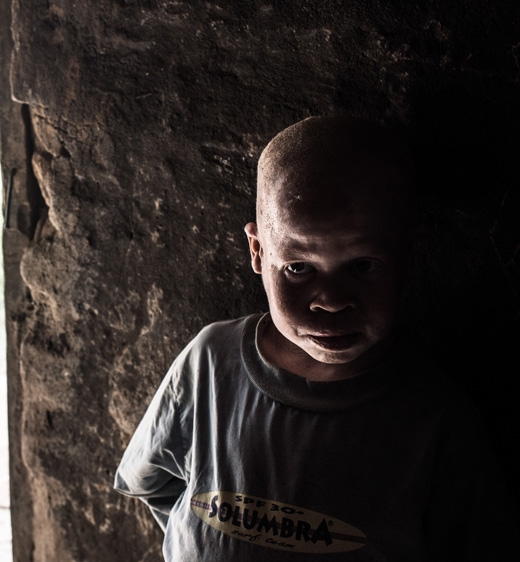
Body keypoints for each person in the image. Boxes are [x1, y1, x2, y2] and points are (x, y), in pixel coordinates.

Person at [113, 116, 505, 561]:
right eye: (298, 268)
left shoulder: (436, 418)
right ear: (258, 252)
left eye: (362, 265)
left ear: (407, 255)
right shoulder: (209, 362)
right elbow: (156, 483)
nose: (333, 301)